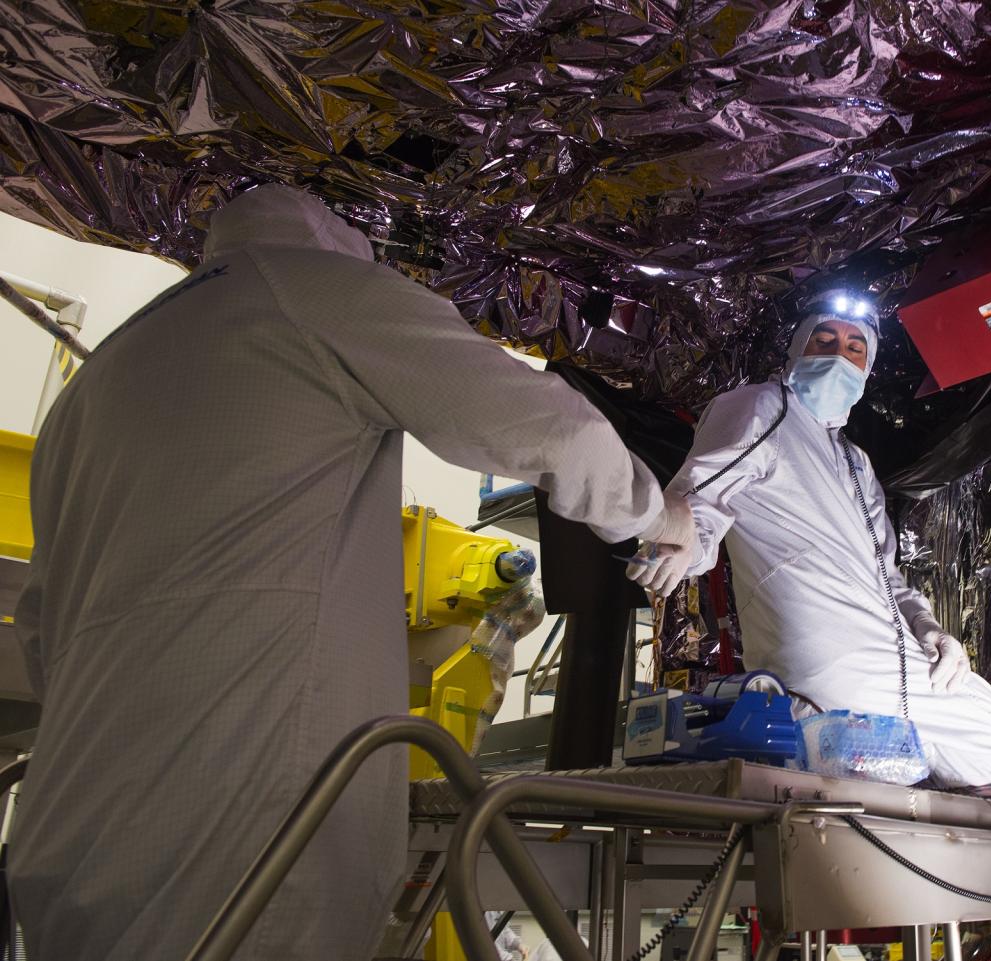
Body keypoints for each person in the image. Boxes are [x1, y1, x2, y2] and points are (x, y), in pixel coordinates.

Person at [10, 184, 695, 961]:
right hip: (245, 813)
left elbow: (39, 628)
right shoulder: (312, 289)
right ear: (350, 240)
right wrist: (657, 516)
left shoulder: (101, 374)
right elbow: (547, 427)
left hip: (73, 817)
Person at [630, 291, 991, 788]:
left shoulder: (855, 461)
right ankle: (827, 745)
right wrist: (679, 541)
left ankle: (895, 775)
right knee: (868, 797)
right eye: (823, 340)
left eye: (854, 347)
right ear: (796, 352)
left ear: (866, 371)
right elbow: (703, 495)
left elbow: (887, 574)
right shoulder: (765, 406)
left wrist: (932, 631)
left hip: (906, 666)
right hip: (826, 659)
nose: (837, 354)